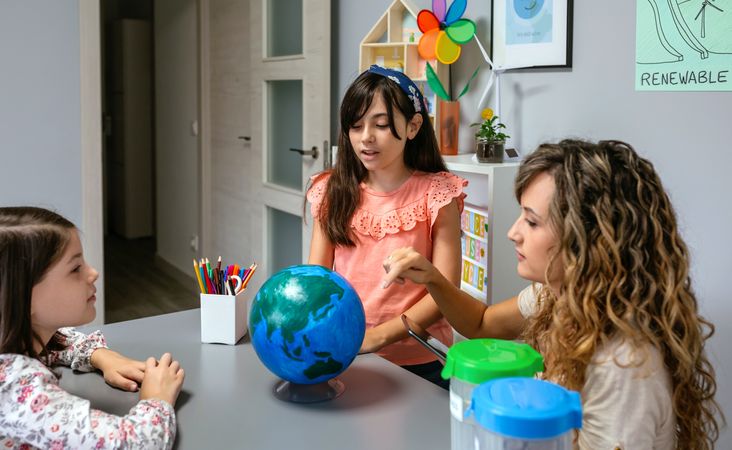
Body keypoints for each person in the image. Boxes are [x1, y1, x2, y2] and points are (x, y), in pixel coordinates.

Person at [381, 140, 723, 449]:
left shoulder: (623, 363)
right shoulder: (557, 295)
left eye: (531, 222)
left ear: (587, 238)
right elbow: (482, 324)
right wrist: (433, 279)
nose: (513, 233)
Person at [306, 66, 467, 389]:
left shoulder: (436, 194)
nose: (366, 137)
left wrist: (378, 336)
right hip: (348, 355)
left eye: (380, 125)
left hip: (421, 361)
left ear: (413, 127)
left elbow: (445, 291)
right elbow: (317, 281)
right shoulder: (331, 190)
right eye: (356, 125)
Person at [0, 207, 185, 449]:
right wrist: (157, 398)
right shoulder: (21, 394)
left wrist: (101, 356)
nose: (93, 273)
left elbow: (59, 341)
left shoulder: (14, 336)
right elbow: (134, 444)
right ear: (23, 295)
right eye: (75, 268)